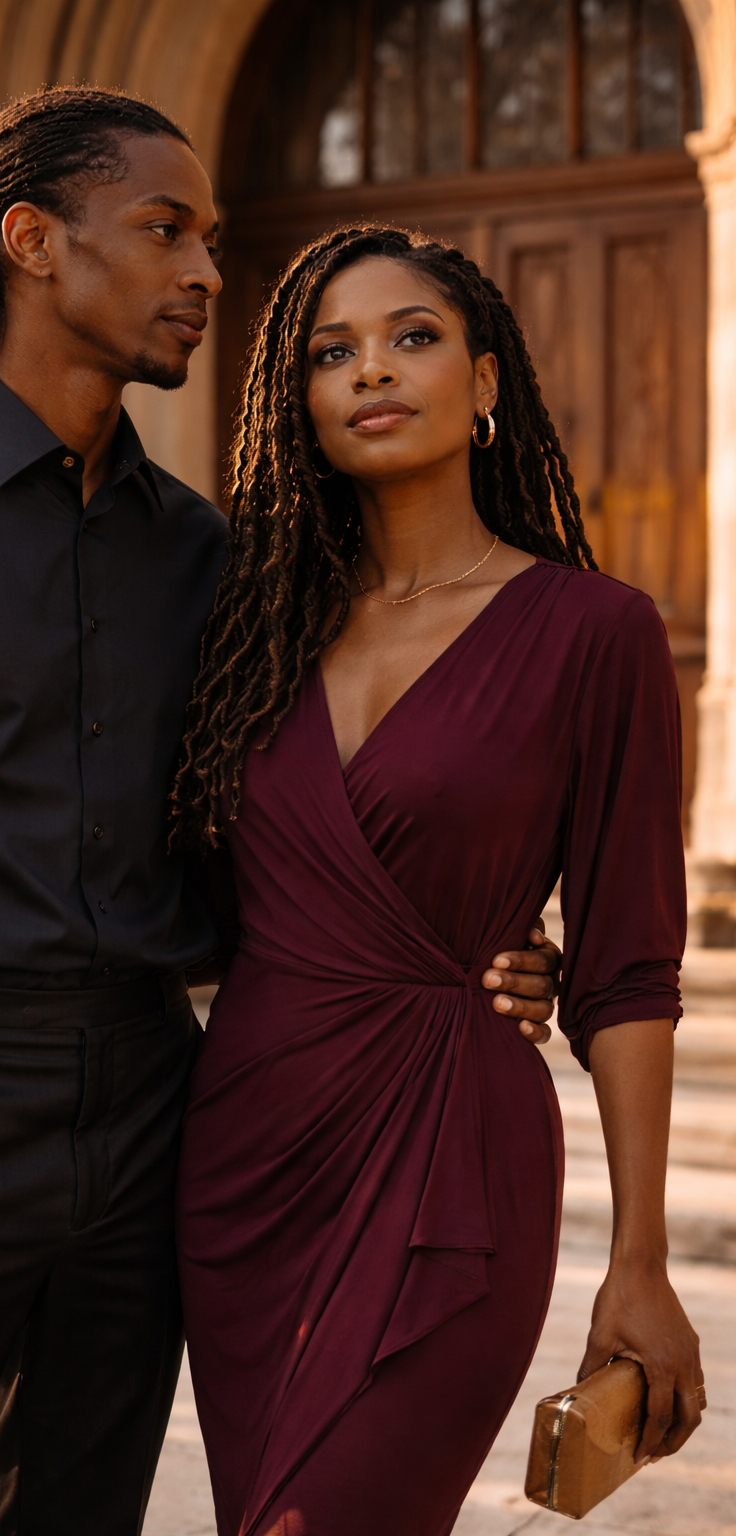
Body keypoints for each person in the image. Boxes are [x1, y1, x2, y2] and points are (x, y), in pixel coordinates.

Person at [0, 90, 557, 1532]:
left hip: (159, 1102)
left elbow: (271, 845)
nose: (210, 278)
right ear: (33, 242)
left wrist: (461, 945)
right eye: (168, 232)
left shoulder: (209, 555)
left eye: (214, 240)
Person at [170, 227, 705, 1536]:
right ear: (295, 403)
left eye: (411, 337)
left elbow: (629, 966)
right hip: (246, 1157)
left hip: (452, 1163)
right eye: (330, 353)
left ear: (483, 383)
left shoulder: (596, 631)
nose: (371, 372)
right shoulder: (249, 627)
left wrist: (640, 1262)